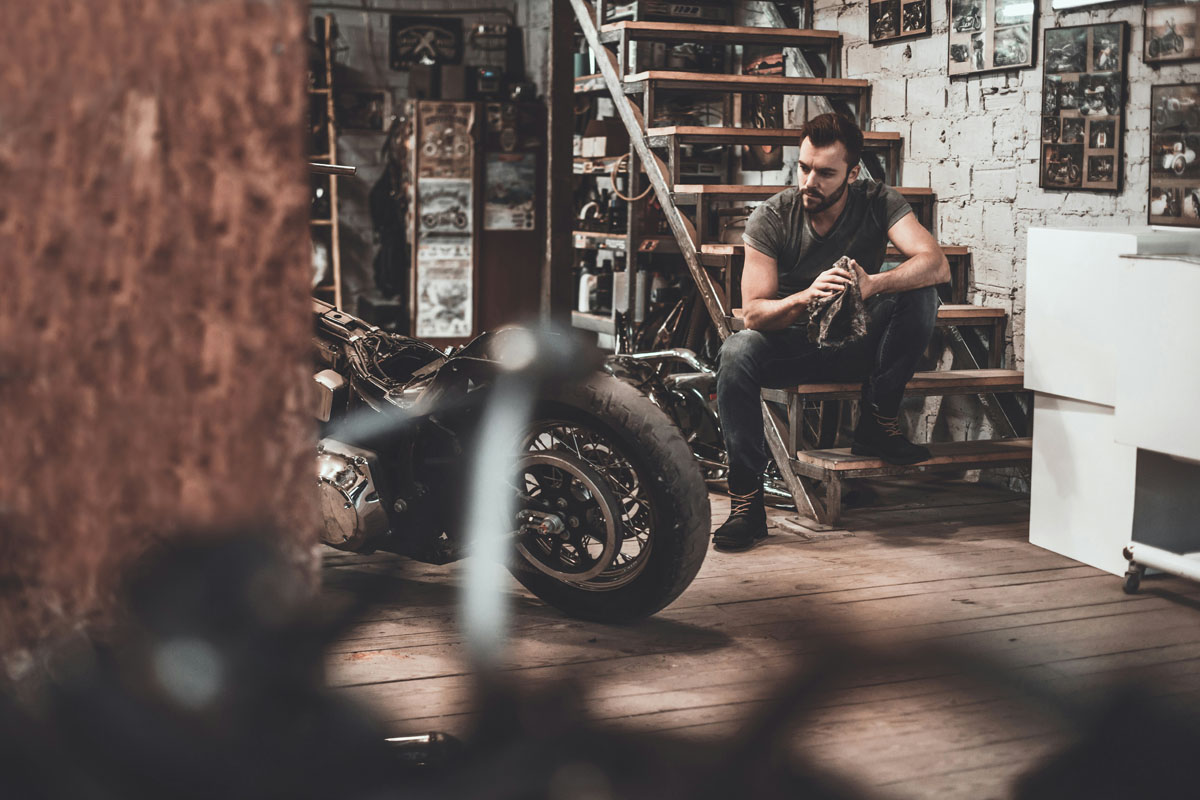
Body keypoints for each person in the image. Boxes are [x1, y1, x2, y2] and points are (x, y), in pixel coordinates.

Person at [713, 112, 950, 552]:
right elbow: (755, 315)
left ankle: (878, 422)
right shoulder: (772, 217)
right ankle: (747, 503)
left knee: (921, 290)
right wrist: (804, 296)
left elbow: (935, 262)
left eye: (825, 173)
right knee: (736, 352)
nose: (809, 182)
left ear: (853, 174)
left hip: (857, 340)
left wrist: (874, 283)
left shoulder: (878, 200)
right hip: (794, 345)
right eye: (804, 168)